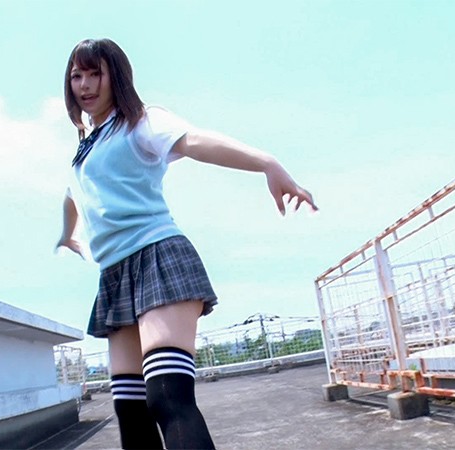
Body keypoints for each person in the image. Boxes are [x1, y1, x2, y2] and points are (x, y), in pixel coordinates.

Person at [56, 38, 317, 450]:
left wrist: (266, 163)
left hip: (157, 258)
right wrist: (67, 233)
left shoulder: (140, 121)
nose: (85, 85)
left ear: (115, 76)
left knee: (167, 396)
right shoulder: (86, 149)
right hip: (115, 274)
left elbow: (194, 141)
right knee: (130, 411)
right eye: (77, 76)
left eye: (95, 74)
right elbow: (74, 194)